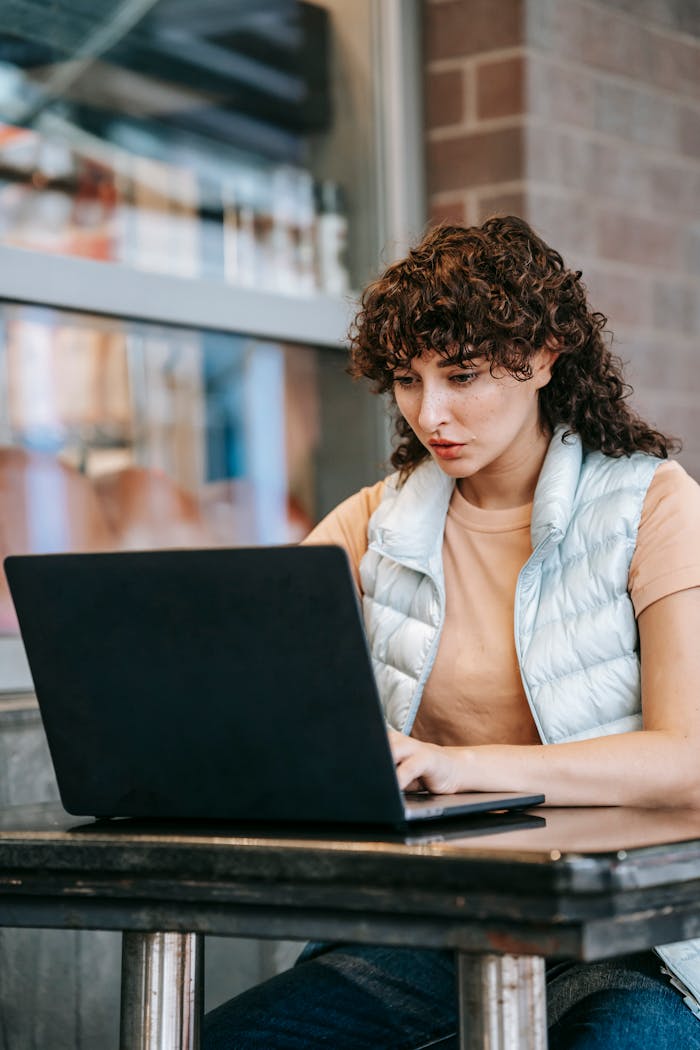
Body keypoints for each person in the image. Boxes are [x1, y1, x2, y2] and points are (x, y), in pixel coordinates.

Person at [204, 216, 700, 1048]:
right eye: (407, 380)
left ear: (543, 356)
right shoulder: (376, 521)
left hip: (627, 938)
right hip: (433, 924)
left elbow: (686, 761)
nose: (431, 413)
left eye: (462, 375)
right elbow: (250, 676)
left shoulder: (653, 505)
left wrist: (455, 767)